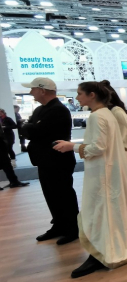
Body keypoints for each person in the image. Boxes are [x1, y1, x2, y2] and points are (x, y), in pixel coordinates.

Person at [53, 81, 127, 278]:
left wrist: (72, 146)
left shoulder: (98, 116)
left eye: (80, 93)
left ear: (92, 95)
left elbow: (98, 147)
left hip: (102, 172)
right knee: (109, 209)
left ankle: (103, 252)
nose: (77, 97)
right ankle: (115, 245)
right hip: (108, 169)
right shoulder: (106, 114)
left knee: (100, 210)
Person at [20, 77, 78, 243]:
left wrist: (29, 127)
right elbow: (29, 128)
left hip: (58, 160)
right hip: (44, 159)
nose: (31, 92)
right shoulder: (41, 109)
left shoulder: (58, 110)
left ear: (42, 90)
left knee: (63, 194)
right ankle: (59, 225)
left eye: (33, 89)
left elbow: (34, 131)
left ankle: (72, 228)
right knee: (51, 194)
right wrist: (30, 127)